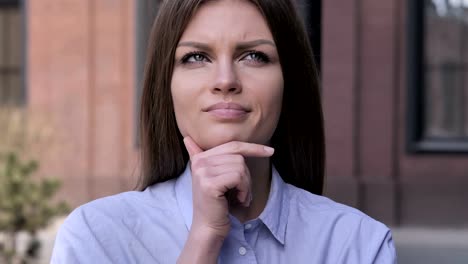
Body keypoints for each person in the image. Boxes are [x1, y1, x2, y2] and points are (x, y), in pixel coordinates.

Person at [51, 0, 397, 263]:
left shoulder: (358, 244)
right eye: (197, 57)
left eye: (254, 56)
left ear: (290, 82)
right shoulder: (97, 236)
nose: (226, 80)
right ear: (166, 85)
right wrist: (204, 239)